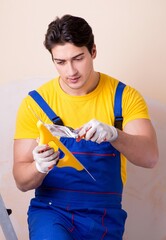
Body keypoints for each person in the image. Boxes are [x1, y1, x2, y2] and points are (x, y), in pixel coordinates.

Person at [13, 14, 158, 240]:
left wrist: (114, 135)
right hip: (52, 212)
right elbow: (21, 180)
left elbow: (150, 157)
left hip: (105, 217)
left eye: (78, 58)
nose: (71, 71)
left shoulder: (123, 98)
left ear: (93, 51)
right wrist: (38, 167)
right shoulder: (36, 104)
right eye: (60, 62)